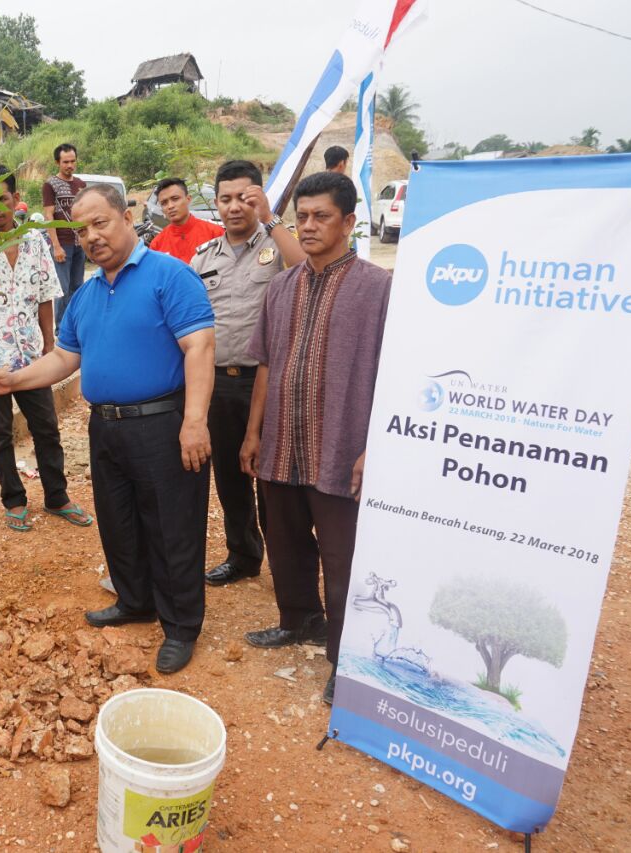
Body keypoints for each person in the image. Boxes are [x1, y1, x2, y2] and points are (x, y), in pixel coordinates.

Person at [0, 185, 215, 675]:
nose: (90, 237)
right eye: (81, 229)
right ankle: (134, 600)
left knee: (172, 527)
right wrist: (12, 381)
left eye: (100, 223)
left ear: (126, 217)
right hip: (105, 428)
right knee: (119, 521)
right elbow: (65, 358)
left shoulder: (169, 276)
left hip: (162, 424)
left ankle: (181, 625)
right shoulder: (86, 294)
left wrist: (195, 421)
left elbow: (199, 348)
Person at [238, 171, 391, 705]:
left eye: (320, 216)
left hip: (340, 446)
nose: (307, 226)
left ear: (348, 222)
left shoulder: (380, 289)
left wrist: (377, 447)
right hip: (282, 442)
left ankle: (345, 660)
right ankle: (299, 618)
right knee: (283, 540)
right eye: (301, 216)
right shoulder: (281, 287)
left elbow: (395, 375)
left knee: (344, 556)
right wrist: (254, 433)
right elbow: (264, 364)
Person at [0, 165, 91, 532]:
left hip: (31, 361)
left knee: (46, 428)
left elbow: (45, 296)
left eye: (1, 199)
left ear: (15, 199)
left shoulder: (33, 240)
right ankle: (14, 500)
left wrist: (48, 343)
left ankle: (57, 496)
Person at [191, 160, 305, 588]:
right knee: (229, 476)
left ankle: (287, 565)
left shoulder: (277, 245)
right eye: (226, 199)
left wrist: (272, 218)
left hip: (266, 382)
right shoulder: (203, 256)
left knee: (271, 478)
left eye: (245, 197)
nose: (235, 206)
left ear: (258, 197)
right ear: (216, 204)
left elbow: (306, 271)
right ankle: (243, 555)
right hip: (218, 382)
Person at [40, 143, 86, 324]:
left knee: (78, 286)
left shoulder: (81, 185)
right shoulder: (50, 185)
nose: (70, 165)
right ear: (57, 162)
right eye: (65, 162)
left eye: (73, 161)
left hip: (79, 242)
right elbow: (48, 215)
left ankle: (77, 323)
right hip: (62, 243)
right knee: (62, 288)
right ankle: (61, 328)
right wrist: (56, 246)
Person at [148, 177, 224, 264]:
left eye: (175, 199)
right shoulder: (157, 244)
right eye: (164, 203)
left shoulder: (215, 233)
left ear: (188, 199)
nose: (170, 206)